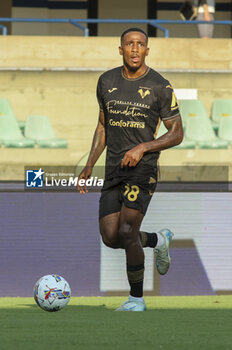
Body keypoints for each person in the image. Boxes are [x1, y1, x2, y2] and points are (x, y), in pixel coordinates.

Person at [77, 28, 183, 311]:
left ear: (147, 50)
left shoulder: (160, 86)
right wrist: (89, 165)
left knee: (126, 230)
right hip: (113, 169)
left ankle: (136, 299)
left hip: (142, 169)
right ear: (120, 48)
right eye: (129, 44)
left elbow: (177, 133)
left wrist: (143, 148)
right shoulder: (106, 81)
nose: (135, 49)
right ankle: (158, 240)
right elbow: (102, 126)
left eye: (140, 45)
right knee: (111, 237)